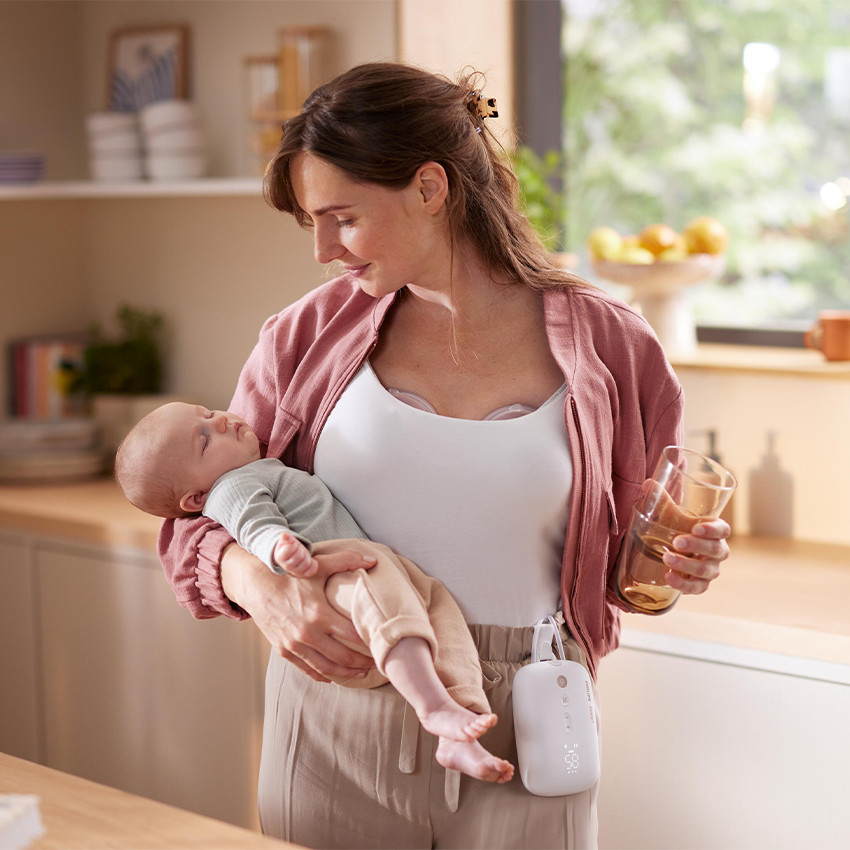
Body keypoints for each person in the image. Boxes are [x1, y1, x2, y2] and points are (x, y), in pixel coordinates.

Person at [158, 62, 731, 849]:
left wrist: (675, 565)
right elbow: (189, 516)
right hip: (336, 715)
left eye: (343, 218)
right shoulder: (303, 339)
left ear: (430, 188)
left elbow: (631, 560)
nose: (324, 249)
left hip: (529, 726)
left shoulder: (612, 348)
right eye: (311, 224)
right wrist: (257, 584)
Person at [115, 400, 514, 784]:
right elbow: (254, 525)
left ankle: (459, 731)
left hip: (368, 566)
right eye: (203, 439)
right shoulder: (230, 488)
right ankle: (434, 707)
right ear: (197, 498)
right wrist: (279, 547)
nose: (220, 421)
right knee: (392, 607)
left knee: (441, 615)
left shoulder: (257, 468)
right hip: (329, 571)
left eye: (208, 412)